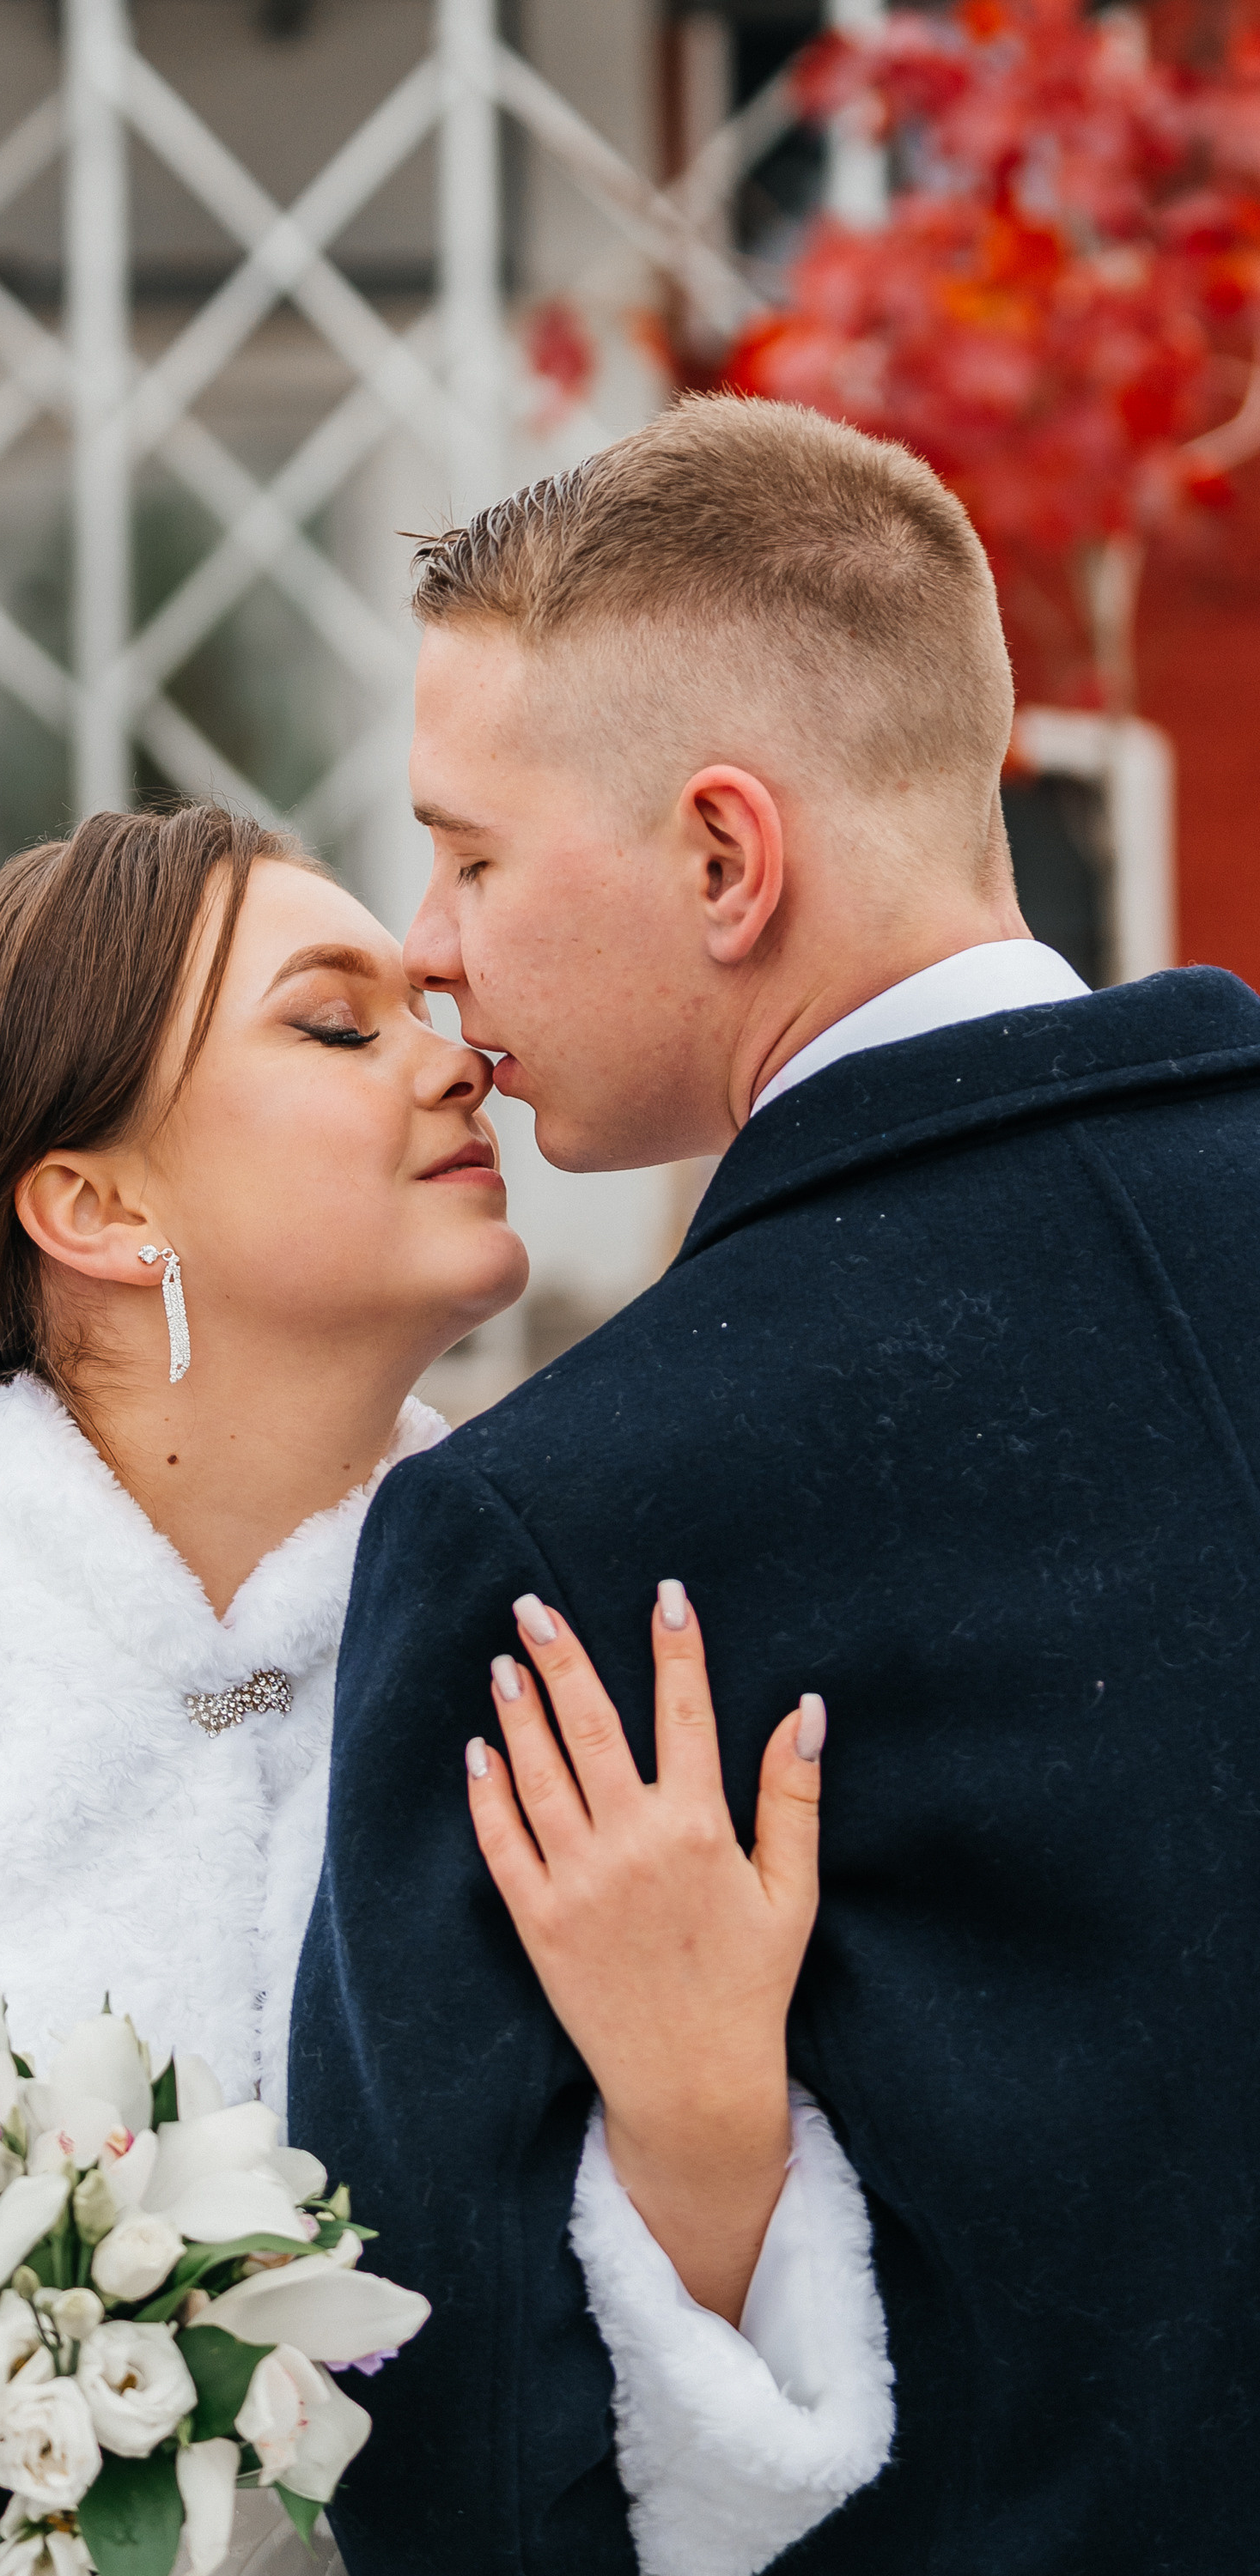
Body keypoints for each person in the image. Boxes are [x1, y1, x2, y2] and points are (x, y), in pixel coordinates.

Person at [0, 802, 890, 2576]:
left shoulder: (589, 1677)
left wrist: (706, 2128)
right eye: (336, 1024)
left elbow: (755, 2475)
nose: (458, 1062)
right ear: (98, 1207)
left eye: (423, 1013)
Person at [290, 393, 1260, 2576]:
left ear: (726, 860)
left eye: (471, 856)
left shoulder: (560, 1539)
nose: (428, 945)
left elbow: (458, 2458)